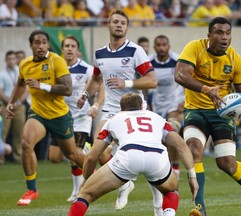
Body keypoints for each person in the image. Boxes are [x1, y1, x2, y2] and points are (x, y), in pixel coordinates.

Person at [174, 17, 241, 216]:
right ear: (209, 35)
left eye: (227, 33)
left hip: (222, 114)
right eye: (219, 32)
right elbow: (180, 74)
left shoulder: (235, 59)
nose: (224, 37)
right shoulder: (194, 48)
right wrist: (206, 89)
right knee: (194, 149)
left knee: (227, 164)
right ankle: (200, 207)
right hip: (195, 111)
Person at [77, 10, 159, 214]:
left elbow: (152, 80)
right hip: (112, 111)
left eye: (123, 22)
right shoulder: (99, 54)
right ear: (108, 25)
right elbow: (96, 79)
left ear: (127, 27)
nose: (119, 25)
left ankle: (159, 207)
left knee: (149, 160)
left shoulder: (135, 51)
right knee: (97, 152)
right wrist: (85, 95)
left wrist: (127, 83)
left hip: (135, 111)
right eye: (115, 22)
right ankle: (122, 185)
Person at [68, 92, 199, 216]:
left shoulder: (114, 119)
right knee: (171, 191)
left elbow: (92, 156)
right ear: (142, 106)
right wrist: (192, 177)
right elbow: (181, 146)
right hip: (157, 157)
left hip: (128, 157)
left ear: (121, 108)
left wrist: (85, 181)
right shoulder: (157, 118)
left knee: (85, 194)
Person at [5, 29, 85, 206]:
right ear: (31, 45)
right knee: (26, 143)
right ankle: (32, 189)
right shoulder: (25, 65)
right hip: (38, 113)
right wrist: (11, 102)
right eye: (37, 43)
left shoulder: (57, 61)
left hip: (59, 115)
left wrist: (42, 86)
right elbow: (20, 84)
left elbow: (67, 89)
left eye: (44, 43)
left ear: (48, 45)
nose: (41, 46)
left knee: (70, 153)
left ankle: (95, 174)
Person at [48, 35, 104, 202]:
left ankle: (80, 190)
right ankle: (86, 158)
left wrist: (95, 106)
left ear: (77, 50)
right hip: (60, 118)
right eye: (67, 46)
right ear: (62, 49)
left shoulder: (86, 69)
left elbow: (100, 87)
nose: (70, 49)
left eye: (73, 46)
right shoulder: (56, 68)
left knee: (74, 154)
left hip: (81, 118)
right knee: (55, 157)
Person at [149, 35, 184, 180]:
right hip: (157, 103)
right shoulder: (149, 62)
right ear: (155, 47)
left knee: (172, 132)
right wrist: (146, 105)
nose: (162, 47)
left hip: (174, 102)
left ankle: (175, 167)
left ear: (168, 46)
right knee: (160, 139)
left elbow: (187, 78)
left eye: (164, 44)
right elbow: (145, 83)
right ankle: (164, 167)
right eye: (159, 45)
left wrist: (184, 101)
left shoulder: (177, 60)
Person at [0, 50, 27, 164]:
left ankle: (18, 156)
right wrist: (10, 102)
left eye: (13, 59)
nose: (11, 61)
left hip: (19, 106)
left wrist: (19, 102)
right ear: (6, 60)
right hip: (6, 105)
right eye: (9, 59)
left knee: (19, 132)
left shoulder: (21, 72)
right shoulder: (2, 74)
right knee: (3, 131)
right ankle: (1, 157)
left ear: (16, 60)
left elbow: (26, 89)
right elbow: (0, 92)